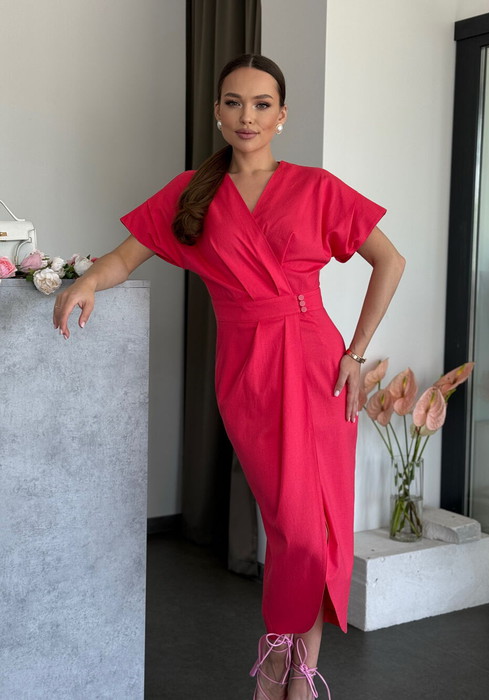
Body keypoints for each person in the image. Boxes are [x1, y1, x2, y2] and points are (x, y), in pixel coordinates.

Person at [53, 54, 405, 700]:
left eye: (262, 104)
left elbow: (390, 260)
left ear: (282, 115)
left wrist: (356, 353)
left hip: (315, 363)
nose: (248, 116)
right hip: (247, 371)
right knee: (289, 525)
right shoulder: (193, 191)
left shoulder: (316, 187)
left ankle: (292, 670)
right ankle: (283, 660)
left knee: (314, 529)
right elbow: (124, 258)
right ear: (217, 111)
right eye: (235, 102)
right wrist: (87, 283)